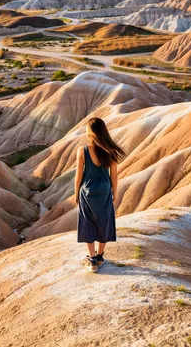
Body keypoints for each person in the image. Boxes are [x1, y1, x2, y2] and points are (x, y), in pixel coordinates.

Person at [74, 117, 125, 273]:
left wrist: (76, 194)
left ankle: (92, 261)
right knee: (104, 222)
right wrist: (114, 193)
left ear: (90, 132)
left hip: (87, 190)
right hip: (104, 191)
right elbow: (114, 176)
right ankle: (101, 256)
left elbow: (78, 175)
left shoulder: (82, 151)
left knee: (87, 223)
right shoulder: (110, 152)